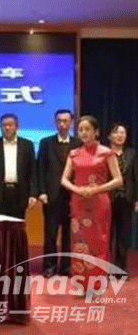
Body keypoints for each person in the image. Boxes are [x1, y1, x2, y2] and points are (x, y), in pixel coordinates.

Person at [61, 116, 123, 292]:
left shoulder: (106, 152)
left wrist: (97, 189)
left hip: (99, 202)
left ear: (96, 132)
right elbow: (64, 179)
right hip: (79, 202)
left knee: (98, 241)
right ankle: (81, 282)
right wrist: (76, 189)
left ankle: (97, 282)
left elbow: (118, 180)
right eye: (81, 130)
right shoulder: (74, 153)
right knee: (79, 242)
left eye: (87, 129)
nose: (84, 133)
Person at [37, 109, 82, 278]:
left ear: (71, 123)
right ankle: (49, 266)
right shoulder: (46, 142)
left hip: (72, 195)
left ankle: (66, 266)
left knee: (69, 234)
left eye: (66, 121)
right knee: (50, 233)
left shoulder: (78, 143)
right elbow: (40, 168)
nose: (63, 124)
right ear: (55, 123)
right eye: (59, 121)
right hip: (51, 195)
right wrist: (42, 192)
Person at [0, 113, 38, 219]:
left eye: (10, 125)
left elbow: (32, 171)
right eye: (4, 125)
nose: (7, 128)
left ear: (17, 126)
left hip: (20, 193)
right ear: (0, 127)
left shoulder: (27, 145)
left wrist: (33, 194)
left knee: (17, 225)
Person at [107, 123, 138, 277]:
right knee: (108, 234)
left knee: (123, 234)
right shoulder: (105, 153)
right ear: (109, 136)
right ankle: (106, 267)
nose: (119, 136)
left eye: (122, 133)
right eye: (116, 132)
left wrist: (136, 199)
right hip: (108, 198)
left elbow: (135, 177)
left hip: (126, 198)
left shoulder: (132, 154)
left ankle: (120, 268)